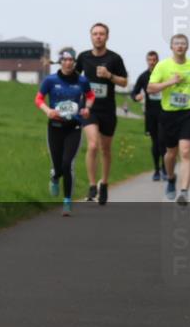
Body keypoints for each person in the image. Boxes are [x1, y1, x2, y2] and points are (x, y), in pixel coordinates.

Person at [148, 34, 190, 206]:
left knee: (186, 151)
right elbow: (150, 88)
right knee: (170, 154)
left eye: (183, 43)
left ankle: (184, 192)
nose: (180, 46)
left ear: (187, 47)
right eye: (176, 43)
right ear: (172, 47)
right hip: (168, 115)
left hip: (188, 113)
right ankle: (171, 178)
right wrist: (169, 82)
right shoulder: (163, 66)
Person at [35, 48, 95, 216]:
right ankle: (55, 177)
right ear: (60, 61)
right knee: (58, 166)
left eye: (71, 60)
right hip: (54, 127)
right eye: (65, 60)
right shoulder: (50, 80)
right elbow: (38, 98)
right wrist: (48, 111)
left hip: (74, 127)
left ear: (75, 62)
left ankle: (67, 201)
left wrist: (87, 109)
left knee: (68, 164)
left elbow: (90, 96)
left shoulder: (82, 81)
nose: (68, 63)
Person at [76, 23, 128, 205]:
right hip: (89, 108)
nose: (98, 37)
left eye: (102, 34)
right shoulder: (83, 57)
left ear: (107, 37)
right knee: (92, 145)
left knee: (105, 149)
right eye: (95, 34)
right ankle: (92, 185)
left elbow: (124, 82)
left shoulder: (115, 58)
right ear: (90, 36)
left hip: (107, 109)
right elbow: (74, 78)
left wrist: (109, 76)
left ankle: (104, 183)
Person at [130, 51, 166, 181]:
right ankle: (157, 170)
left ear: (158, 60)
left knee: (163, 142)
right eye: (149, 60)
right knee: (155, 143)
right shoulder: (143, 77)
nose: (152, 62)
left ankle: (165, 168)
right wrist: (136, 97)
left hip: (165, 113)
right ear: (147, 61)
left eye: (154, 60)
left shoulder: (164, 75)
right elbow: (133, 92)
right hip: (151, 114)